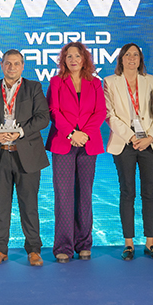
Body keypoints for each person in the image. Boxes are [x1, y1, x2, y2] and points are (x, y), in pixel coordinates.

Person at [0, 49, 50, 266]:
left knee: (29, 206)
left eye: (16, 63)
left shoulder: (33, 87)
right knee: (0, 206)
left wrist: (20, 132)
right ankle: (0, 249)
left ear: (22, 66)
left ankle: (34, 250)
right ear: (1, 65)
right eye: (8, 63)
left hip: (26, 155)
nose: (12, 67)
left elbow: (43, 117)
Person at [45, 42, 106, 263]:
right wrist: (72, 133)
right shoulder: (56, 82)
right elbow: (53, 111)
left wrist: (84, 134)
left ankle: (84, 244)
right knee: (63, 196)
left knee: (85, 195)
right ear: (63, 60)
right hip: (63, 142)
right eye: (69, 56)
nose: (73, 60)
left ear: (84, 59)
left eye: (77, 56)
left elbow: (100, 112)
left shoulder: (96, 83)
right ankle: (63, 246)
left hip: (88, 143)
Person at [104, 43, 153, 260]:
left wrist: (150, 138)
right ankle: (129, 243)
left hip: (149, 142)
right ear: (121, 59)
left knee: (149, 192)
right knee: (127, 192)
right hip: (124, 143)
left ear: (141, 59)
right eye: (128, 55)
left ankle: (150, 243)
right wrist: (131, 137)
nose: (132, 58)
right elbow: (110, 115)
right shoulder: (110, 82)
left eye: (136, 55)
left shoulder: (150, 80)